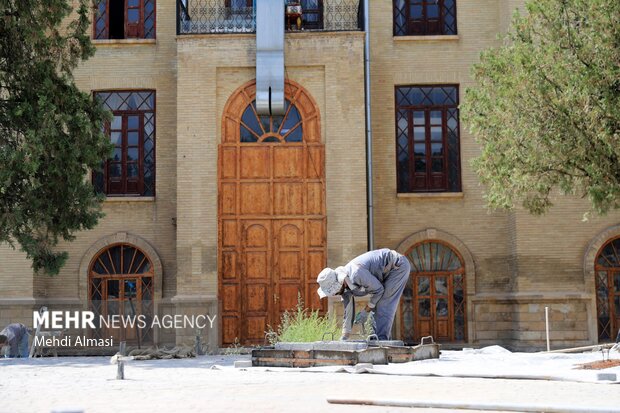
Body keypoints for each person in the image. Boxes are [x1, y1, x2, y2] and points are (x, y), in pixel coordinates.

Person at [317, 248, 410, 341]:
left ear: (340, 283)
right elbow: (348, 311)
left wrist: (366, 310)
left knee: (383, 304)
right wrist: (344, 336)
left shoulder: (356, 274)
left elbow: (379, 290)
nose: (335, 294)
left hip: (397, 266)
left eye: (335, 292)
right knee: (377, 305)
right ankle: (377, 340)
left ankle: (381, 342)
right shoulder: (344, 289)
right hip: (384, 273)